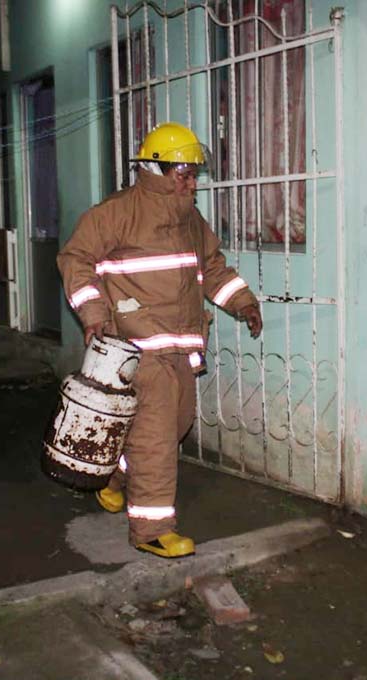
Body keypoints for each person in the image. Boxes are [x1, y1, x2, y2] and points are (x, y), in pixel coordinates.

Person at [57, 122, 262, 558]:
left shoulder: (190, 219)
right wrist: (94, 313)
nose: (192, 182)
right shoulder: (116, 213)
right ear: (155, 169)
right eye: (184, 173)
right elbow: (75, 259)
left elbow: (213, 268)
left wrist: (243, 303)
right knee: (155, 439)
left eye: (194, 174)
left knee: (175, 425)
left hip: (180, 349)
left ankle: (113, 479)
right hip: (137, 349)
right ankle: (151, 531)